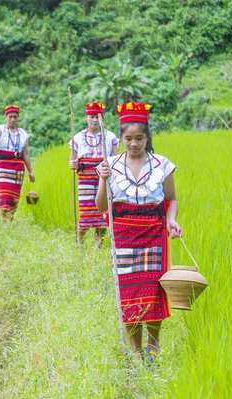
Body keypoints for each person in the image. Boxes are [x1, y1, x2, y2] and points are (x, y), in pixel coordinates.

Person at [95, 101, 182, 362]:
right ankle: (136, 353)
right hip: (123, 238)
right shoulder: (111, 165)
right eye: (128, 138)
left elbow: (172, 200)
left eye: (139, 138)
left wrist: (171, 220)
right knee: (130, 296)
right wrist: (103, 178)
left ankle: (153, 349)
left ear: (147, 137)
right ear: (120, 138)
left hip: (153, 237)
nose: (134, 144)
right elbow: (101, 206)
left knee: (152, 293)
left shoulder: (162, 165)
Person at [69, 102, 119, 243]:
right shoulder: (77, 137)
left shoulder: (111, 137)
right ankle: (79, 243)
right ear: (86, 117)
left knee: (102, 211)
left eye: (98, 117)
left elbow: (115, 159)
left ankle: (98, 245)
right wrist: (73, 163)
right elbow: (72, 160)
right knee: (86, 213)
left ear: (102, 118)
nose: (95, 120)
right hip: (85, 180)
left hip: (103, 178)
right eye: (92, 116)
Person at [0, 105, 35, 220]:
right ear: (6, 117)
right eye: (10, 117)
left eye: (15, 117)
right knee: (5, 195)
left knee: (14, 197)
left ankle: (9, 220)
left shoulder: (23, 134)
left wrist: (30, 171)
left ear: (18, 117)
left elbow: (26, 154)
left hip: (18, 169)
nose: (13, 119)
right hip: (3, 166)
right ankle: (4, 222)